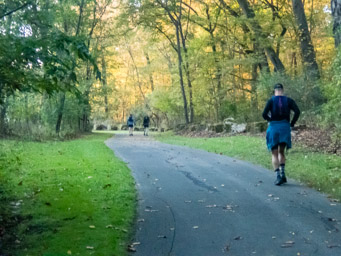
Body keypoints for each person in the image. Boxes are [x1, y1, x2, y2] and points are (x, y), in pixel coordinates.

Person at [262, 83, 300, 186]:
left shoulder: (271, 101)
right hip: (284, 127)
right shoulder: (288, 100)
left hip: (273, 127)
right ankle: (283, 173)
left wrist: (270, 120)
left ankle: (278, 176)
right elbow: (297, 111)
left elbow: (264, 114)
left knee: (274, 153)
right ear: (282, 90)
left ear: (275, 91)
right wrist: (291, 123)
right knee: (281, 151)